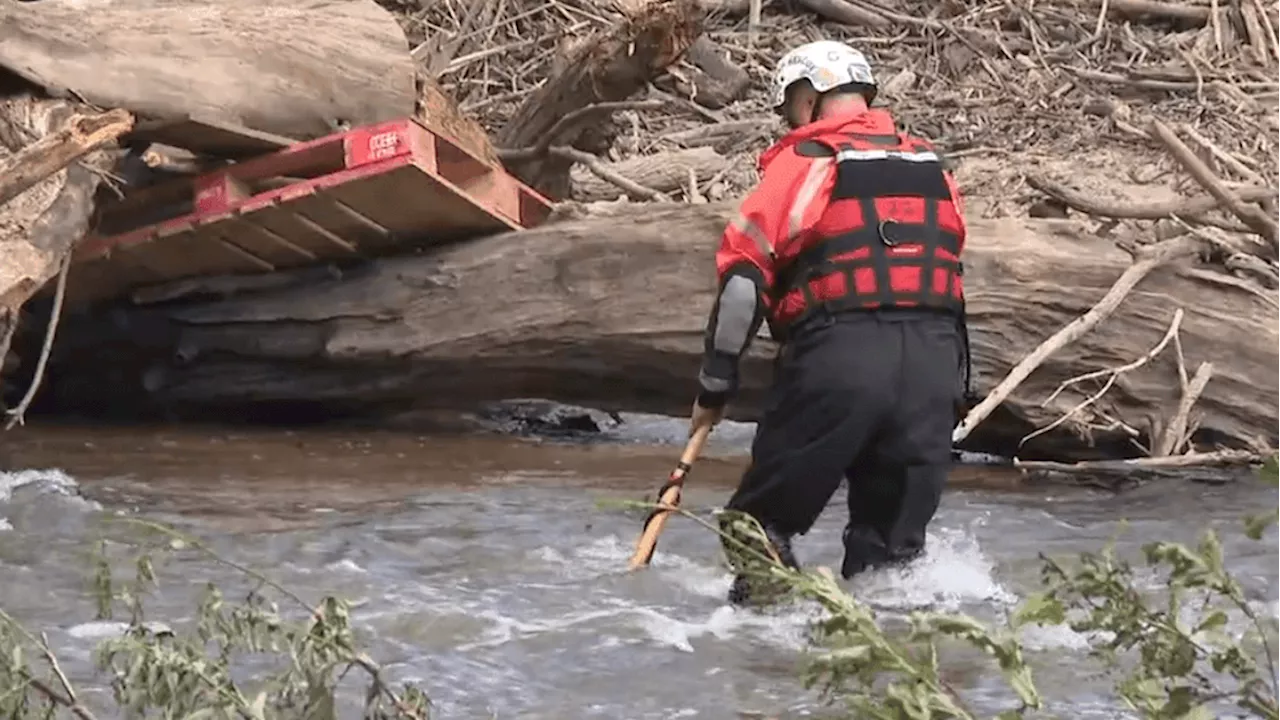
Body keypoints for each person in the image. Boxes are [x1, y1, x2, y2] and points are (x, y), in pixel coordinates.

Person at [687, 40, 974, 605]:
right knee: (891, 566)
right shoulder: (932, 167)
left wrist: (714, 388)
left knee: (755, 532)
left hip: (840, 361)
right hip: (935, 373)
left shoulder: (805, 162)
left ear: (807, 96)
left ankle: (763, 672)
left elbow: (743, 287)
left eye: (789, 105)